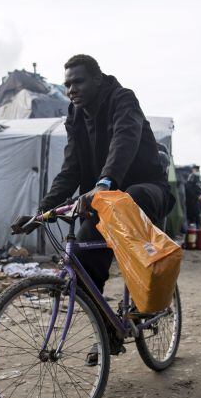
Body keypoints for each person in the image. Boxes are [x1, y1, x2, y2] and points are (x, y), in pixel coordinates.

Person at [29, 54, 173, 359]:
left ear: (97, 79)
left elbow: (125, 139)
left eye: (78, 81)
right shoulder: (76, 115)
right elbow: (71, 167)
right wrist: (41, 211)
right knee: (81, 257)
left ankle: (145, 298)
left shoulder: (123, 100)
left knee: (126, 198)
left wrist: (106, 181)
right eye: (67, 84)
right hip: (103, 201)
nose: (71, 89)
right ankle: (108, 332)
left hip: (144, 190)